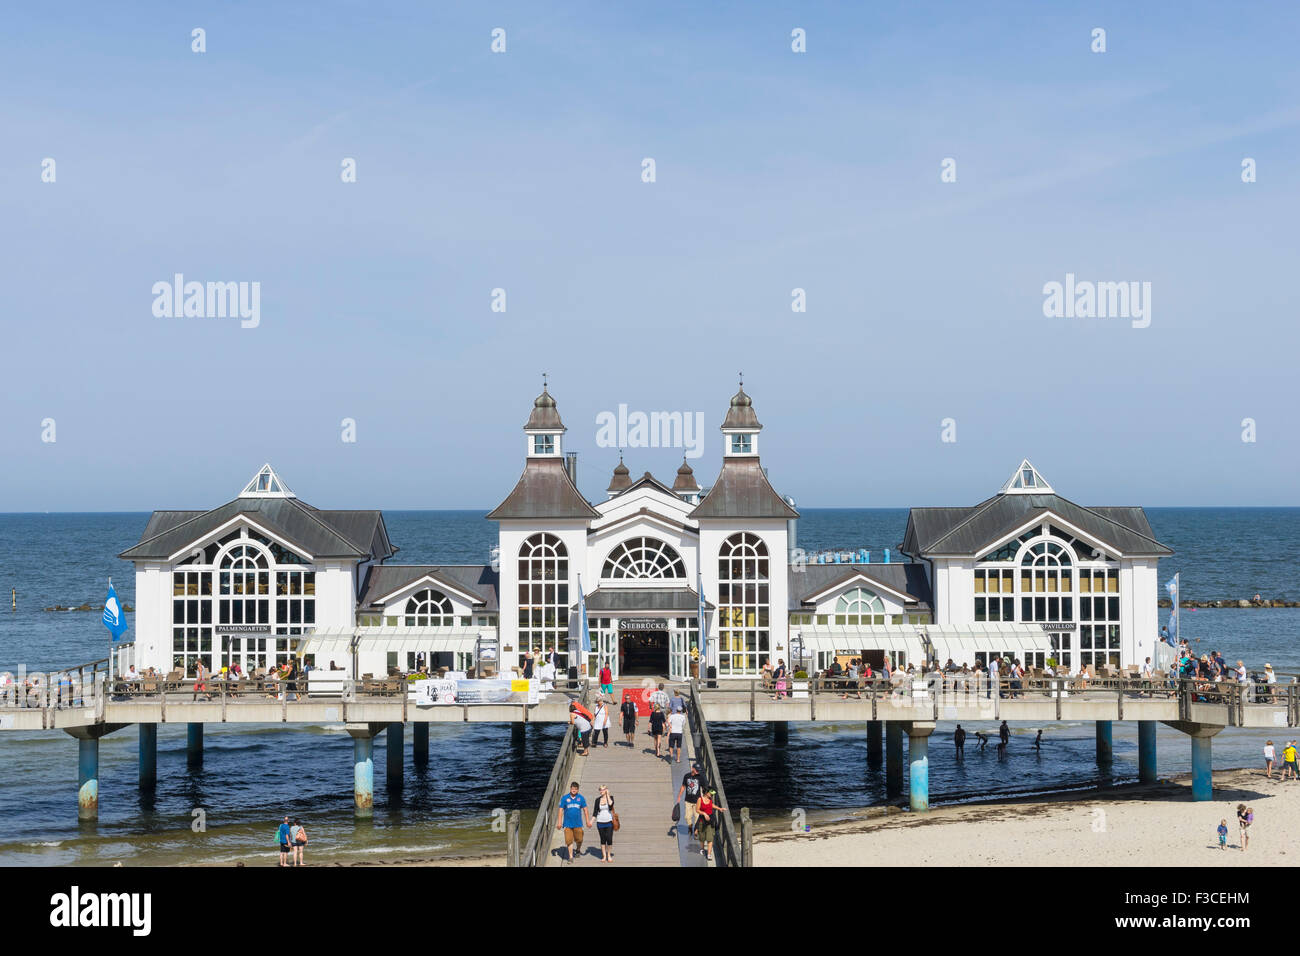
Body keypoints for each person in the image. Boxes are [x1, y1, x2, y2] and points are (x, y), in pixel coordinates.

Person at [556, 782, 591, 863]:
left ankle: (578, 850)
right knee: (569, 840)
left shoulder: (581, 798)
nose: (573, 790)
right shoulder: (565, 798)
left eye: (575, 789)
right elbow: (560, 810)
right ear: (570, 789)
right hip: (567, 824)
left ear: (578, 790)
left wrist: (587, 821)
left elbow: (585, 810)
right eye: (572, 789)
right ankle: (571, 857)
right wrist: (559, 822)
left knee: (579, 839)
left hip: (578, 823)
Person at [696, 789, 726, 861]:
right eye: (711, 794)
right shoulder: (700, 799)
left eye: (712, 794)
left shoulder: (710, 799)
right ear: (706, 793)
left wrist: (719, 809)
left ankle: (709, 854)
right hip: (702, 821)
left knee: (710, 838)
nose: (712, 795)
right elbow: (697, 810)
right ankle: (702, 849)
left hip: (710, 821)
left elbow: (711, 805)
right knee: (702, 838)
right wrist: (704, 813)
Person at [676, 764, 703, 838]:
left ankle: (696, 831)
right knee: (687, 817)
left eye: (698, 770)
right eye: (696, 770)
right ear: (692, 768)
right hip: (688, 800)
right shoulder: (686, 776)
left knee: (697, 817)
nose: (698, 771)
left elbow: (704, 788)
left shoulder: (700, 777)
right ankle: (690, 827)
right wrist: (679, 796)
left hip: (697, 801)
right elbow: (683, 786)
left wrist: (705, 799)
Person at [592, 785, 616, 862]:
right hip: (600, 822)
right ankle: (604, 856)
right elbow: (595, 812)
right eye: (600, 790)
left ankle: (609, 855)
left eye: (603, 790)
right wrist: (591, 821)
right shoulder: (597, 800)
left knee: (609, 839)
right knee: (603, 839)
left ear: (606, 790)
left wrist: (608, 795)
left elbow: (611, 805)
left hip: (609, 821)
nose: (601, 791)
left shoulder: (611, 798)